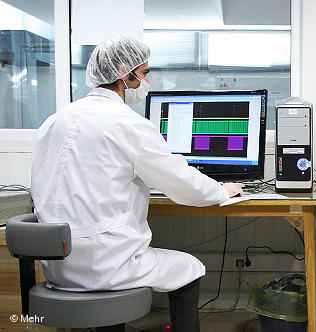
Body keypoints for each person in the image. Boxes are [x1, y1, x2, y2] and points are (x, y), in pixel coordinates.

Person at [31, 36, 243, 332]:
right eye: (143, 73)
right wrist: (222, 191)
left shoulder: (55, 120)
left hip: (58, 265)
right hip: (108, 263)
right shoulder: (127, 123)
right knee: (191, 268)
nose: (145, 81)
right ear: (123, 72)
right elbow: (179, 181)